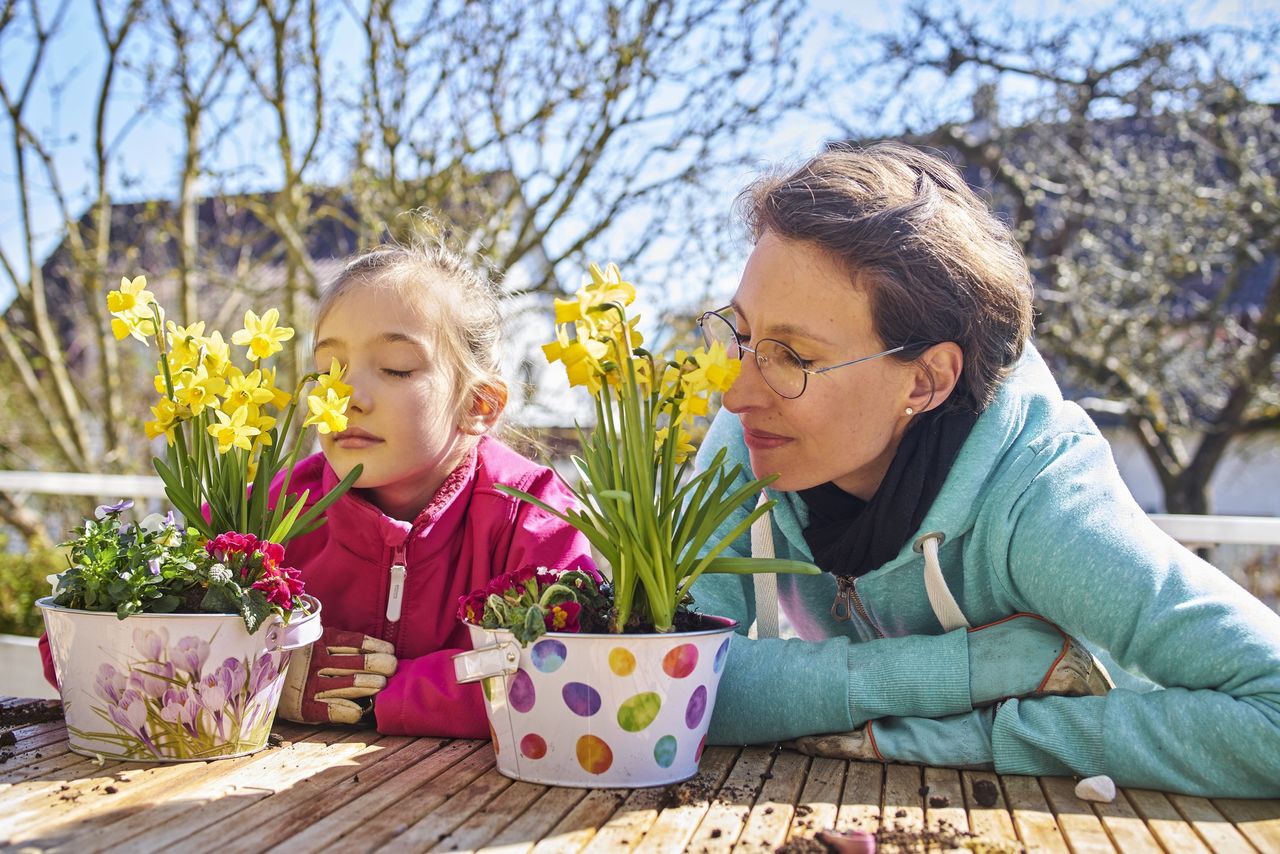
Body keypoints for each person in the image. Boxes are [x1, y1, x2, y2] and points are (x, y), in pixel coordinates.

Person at [690, 142, 1280, 797]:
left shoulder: (1040, 499)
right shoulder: (756, 434)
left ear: (924, 379)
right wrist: (960, 671)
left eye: (793, 356)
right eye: (741, 336)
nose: (735, 392)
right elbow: (660, 681)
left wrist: (971, 736)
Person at [266, 242, 594, 736]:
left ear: (479, 405)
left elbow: (563, 666)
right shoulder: (274, 510)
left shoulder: (532, 515)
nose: (346, 396)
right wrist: (267, 670)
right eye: (328, 369)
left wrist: (383, 694)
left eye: (396, 367)